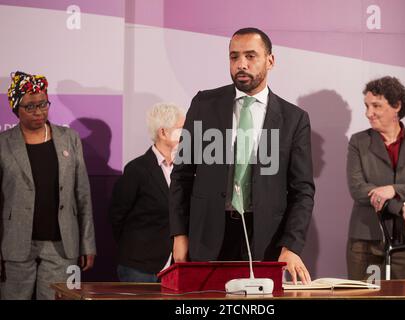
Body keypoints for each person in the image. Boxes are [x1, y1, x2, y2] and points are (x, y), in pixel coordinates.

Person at [170, 28, 315, 284]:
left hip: (265, 241)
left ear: (270, 61)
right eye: (234, 57)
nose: (241, 64)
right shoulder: (204, 105)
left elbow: (302, 191)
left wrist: (291, 245)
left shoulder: (294, 119)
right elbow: (181, 175)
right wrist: (179, 234)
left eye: (250, 56)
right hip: (207, 237)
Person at [0, 71, 96, 299]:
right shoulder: (3, 144)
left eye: (43, 104)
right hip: (14, 246)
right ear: (16, 109)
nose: (39, 111)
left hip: (62, 246)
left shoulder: (69, 138)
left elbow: (82, 194)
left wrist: (87, 243)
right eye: (30, 106)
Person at [346, 76, 405, 280]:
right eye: (367, 106)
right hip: (365, 243)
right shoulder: (358, 142)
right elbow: (358, 190)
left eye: (376, 106)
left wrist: (392, 189)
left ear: (397, 105)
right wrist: (402, 203)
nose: (368, 113)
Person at [109, 103, 185, 282]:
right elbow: (117, 215)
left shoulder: (185, 169)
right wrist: (137, 248)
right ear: (163, 132)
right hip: (139, 267)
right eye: (182, 128)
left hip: (175, 265)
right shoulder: (137, 169)